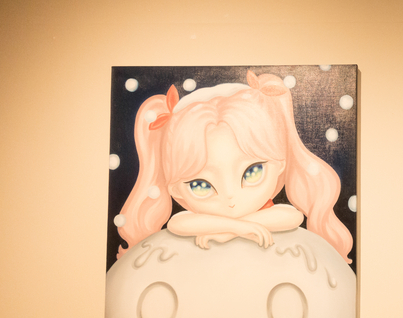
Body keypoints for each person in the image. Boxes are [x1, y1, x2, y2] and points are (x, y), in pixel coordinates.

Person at [116, 71, 352, 263]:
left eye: (252, 172)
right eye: (200, 185)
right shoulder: (191, 222)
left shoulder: (275, 214)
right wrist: (237, 228)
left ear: (280, 163)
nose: (230, 196)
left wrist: (226, 233)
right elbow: (178, 223)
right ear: (174, 189)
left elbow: (291, 216)